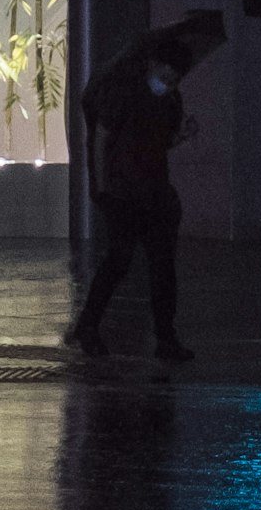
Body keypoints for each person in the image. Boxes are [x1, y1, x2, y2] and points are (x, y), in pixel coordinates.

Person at [68, 37, 198, 361]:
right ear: (153, 65)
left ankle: (166, 338)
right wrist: (100, 185)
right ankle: (89, 325)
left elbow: (159, 143)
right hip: (122, 190)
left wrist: (181, 136)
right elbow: (102, 138)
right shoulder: (123, 92)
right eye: (165, 77)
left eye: (174, 80)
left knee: (162, 266)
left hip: (154, 189)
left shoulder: (171, 100)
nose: (167, 85)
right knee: (120, 259)